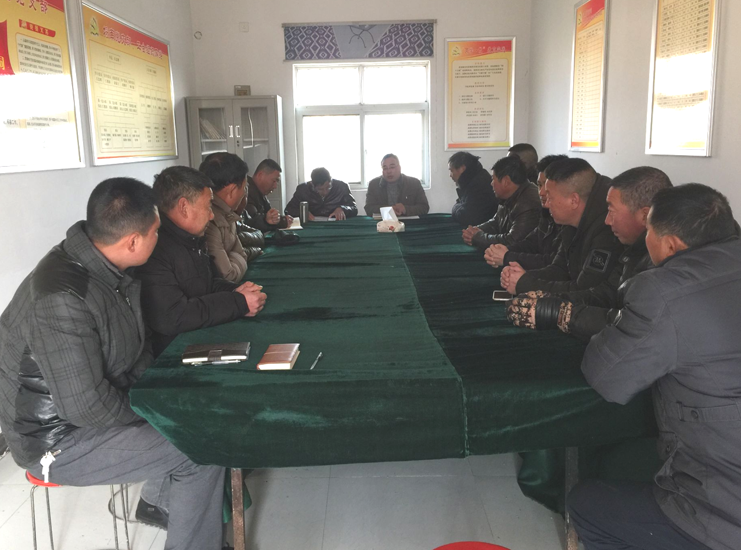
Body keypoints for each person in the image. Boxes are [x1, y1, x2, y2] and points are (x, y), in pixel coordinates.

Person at [0, 178, 226, 550]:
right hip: (57, 440)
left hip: (94, 411)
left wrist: (162, 399)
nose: (160, 239)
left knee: (195, 410)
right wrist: (155, 412)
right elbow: (86, 407)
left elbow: (135, 345)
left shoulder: (109, 265)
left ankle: (160, 503)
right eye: (156, 232)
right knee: (201, 448)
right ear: (133, 241)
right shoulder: (61, 297)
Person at [567, 183, 741, 550]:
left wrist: (609, 324)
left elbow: (607, 377)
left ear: (671, 245)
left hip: (724, 513)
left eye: (649, 230)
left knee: (587, 503)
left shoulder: (662, 291)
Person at [506, 167, 673, 338]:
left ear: (645, 216)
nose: (607, 221)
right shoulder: (633, 247)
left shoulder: (662, 265)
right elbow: (607, 293)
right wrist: (552, 299)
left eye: (612, 212)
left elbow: (632, 325)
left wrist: (563, 314)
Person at [137, 166, 267, 357]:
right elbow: (173, 317)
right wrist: (238, 303)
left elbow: (210, 282)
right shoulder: (154, 248)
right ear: (184, 207)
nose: (212, 215)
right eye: (207, 206)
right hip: (173, 353)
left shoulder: (191, 237)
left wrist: (236, 291)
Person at [500, 158, 622, 295]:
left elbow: (584, 290)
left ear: (573, 200)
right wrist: (522, 277)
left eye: (550, 198)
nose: (546, 204)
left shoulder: (607, 228)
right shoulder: (571, 218)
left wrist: (525, 284)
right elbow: (560, 269)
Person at [485, 154, 567, 270]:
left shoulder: (530, 202)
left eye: (546, 186)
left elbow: (554, 263)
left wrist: (507, 257)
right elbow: (532, 242)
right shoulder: (547, 211)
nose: (541, 192)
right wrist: (504, 251)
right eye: (539, 185)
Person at [462, 155, 541, 250]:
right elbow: (496, 222)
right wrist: (475, 231)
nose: (491, 183)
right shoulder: (508, 196)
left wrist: (478, 237)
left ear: (506, 181)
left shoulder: (528, 203)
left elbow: (512, 241)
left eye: (493, 179)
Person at [199, 152, 253, 283]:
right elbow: (228, 276)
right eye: (244, 188)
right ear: (232, 190)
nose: (245, 193)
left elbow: (242, 254)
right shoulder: (209, 220)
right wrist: (235, 257)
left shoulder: (227, 212)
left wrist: (232, 257)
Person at [364, 154, 430, 217]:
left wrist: (405, 209)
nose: (388, 171)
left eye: (392, 167)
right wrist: (388, 210)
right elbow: (368, 208)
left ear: (399, 168)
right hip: (383, 223)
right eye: (385, 168)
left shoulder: (414, 183)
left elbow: (424, 207)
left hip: (408, 222)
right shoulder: (374, 185)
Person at [285, 167, 358, 220]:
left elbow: (354, 208)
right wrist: (302, 213)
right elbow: (288, 210)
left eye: (328, 187)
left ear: (331, 181)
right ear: (312, 184)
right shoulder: (303, 190)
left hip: (336, 224)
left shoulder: (341, 187)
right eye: (320, 189)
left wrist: (343, 209)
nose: (325, 192)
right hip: (311, 225)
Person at [449, 151, 498, 227]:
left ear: (462, 168)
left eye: (452, 171)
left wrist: (455, 208)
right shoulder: (472, 180)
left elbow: (466, 217)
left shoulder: (479, 184)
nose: (450, 175)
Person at [243, 158, 293, 232]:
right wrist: (281, 221)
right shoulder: (247, 191)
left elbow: (269, 216)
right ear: (260, 175)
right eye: (274, 181)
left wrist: (280, 218)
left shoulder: (260, 193)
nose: (275, 186)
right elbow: (251, 221)